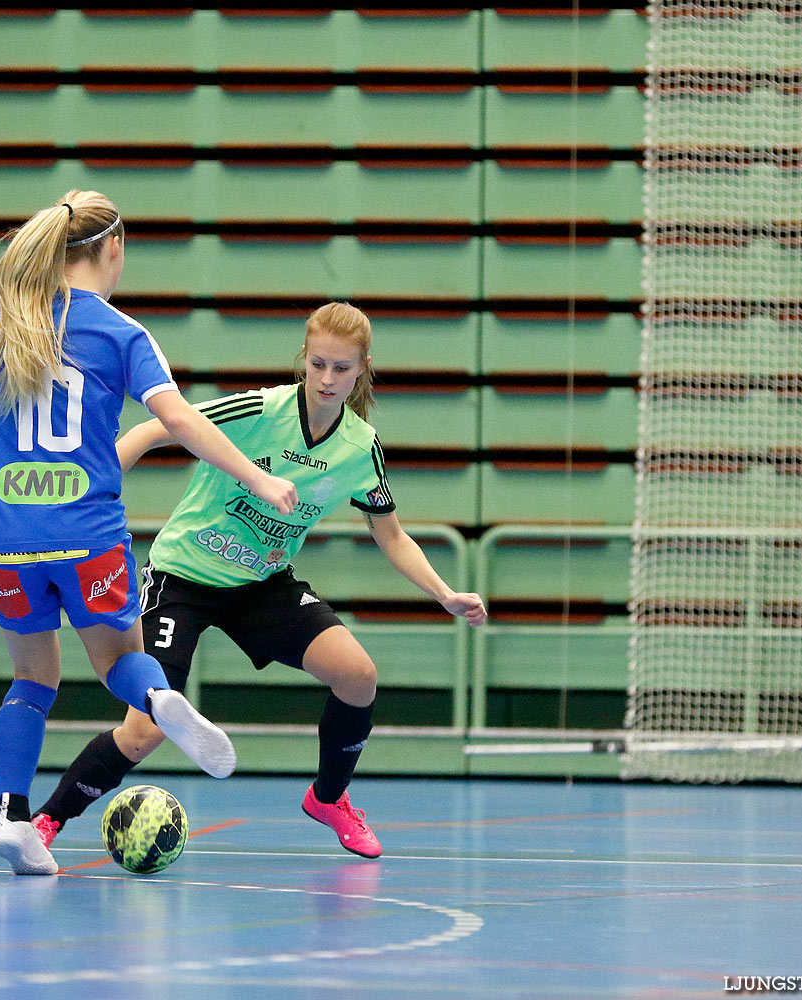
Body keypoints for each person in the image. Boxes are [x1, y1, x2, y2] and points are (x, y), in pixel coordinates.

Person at [29, 302, 487, 859]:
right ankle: (46, 821)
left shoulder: (360, 448)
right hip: (184, 577)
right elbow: (153, 429)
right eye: (317, 363)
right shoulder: (260, 409)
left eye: (341, 368)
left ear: (363, 367)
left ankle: (329, 798)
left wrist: (444, 594)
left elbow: (391, 536)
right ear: (304, 357)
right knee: (146, 728)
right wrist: (90, 490)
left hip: (263, 585)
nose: (326, 378)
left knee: (358, 676)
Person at [0, 188, 298, 877]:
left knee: (33, 675)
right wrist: (256, 477)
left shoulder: (14, 322)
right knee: (114, 664)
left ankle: (13, 815)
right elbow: (181, 419)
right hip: (86, 530)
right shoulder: (122, 333)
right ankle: (160, 699)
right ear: (114, 249)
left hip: (6, 536)